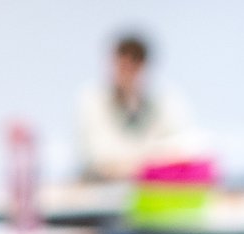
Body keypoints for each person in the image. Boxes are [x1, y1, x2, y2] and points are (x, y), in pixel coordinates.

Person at [77, 33, 203, 180]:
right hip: (101, 184)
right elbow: (96, 155)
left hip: (151, 186)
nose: (128, 73)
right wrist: (149, 160)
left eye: (135, 65)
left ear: (144, 66)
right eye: (123, 65)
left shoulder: (167, 102)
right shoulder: (91, 100)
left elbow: (183, 147)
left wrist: (137, 164)